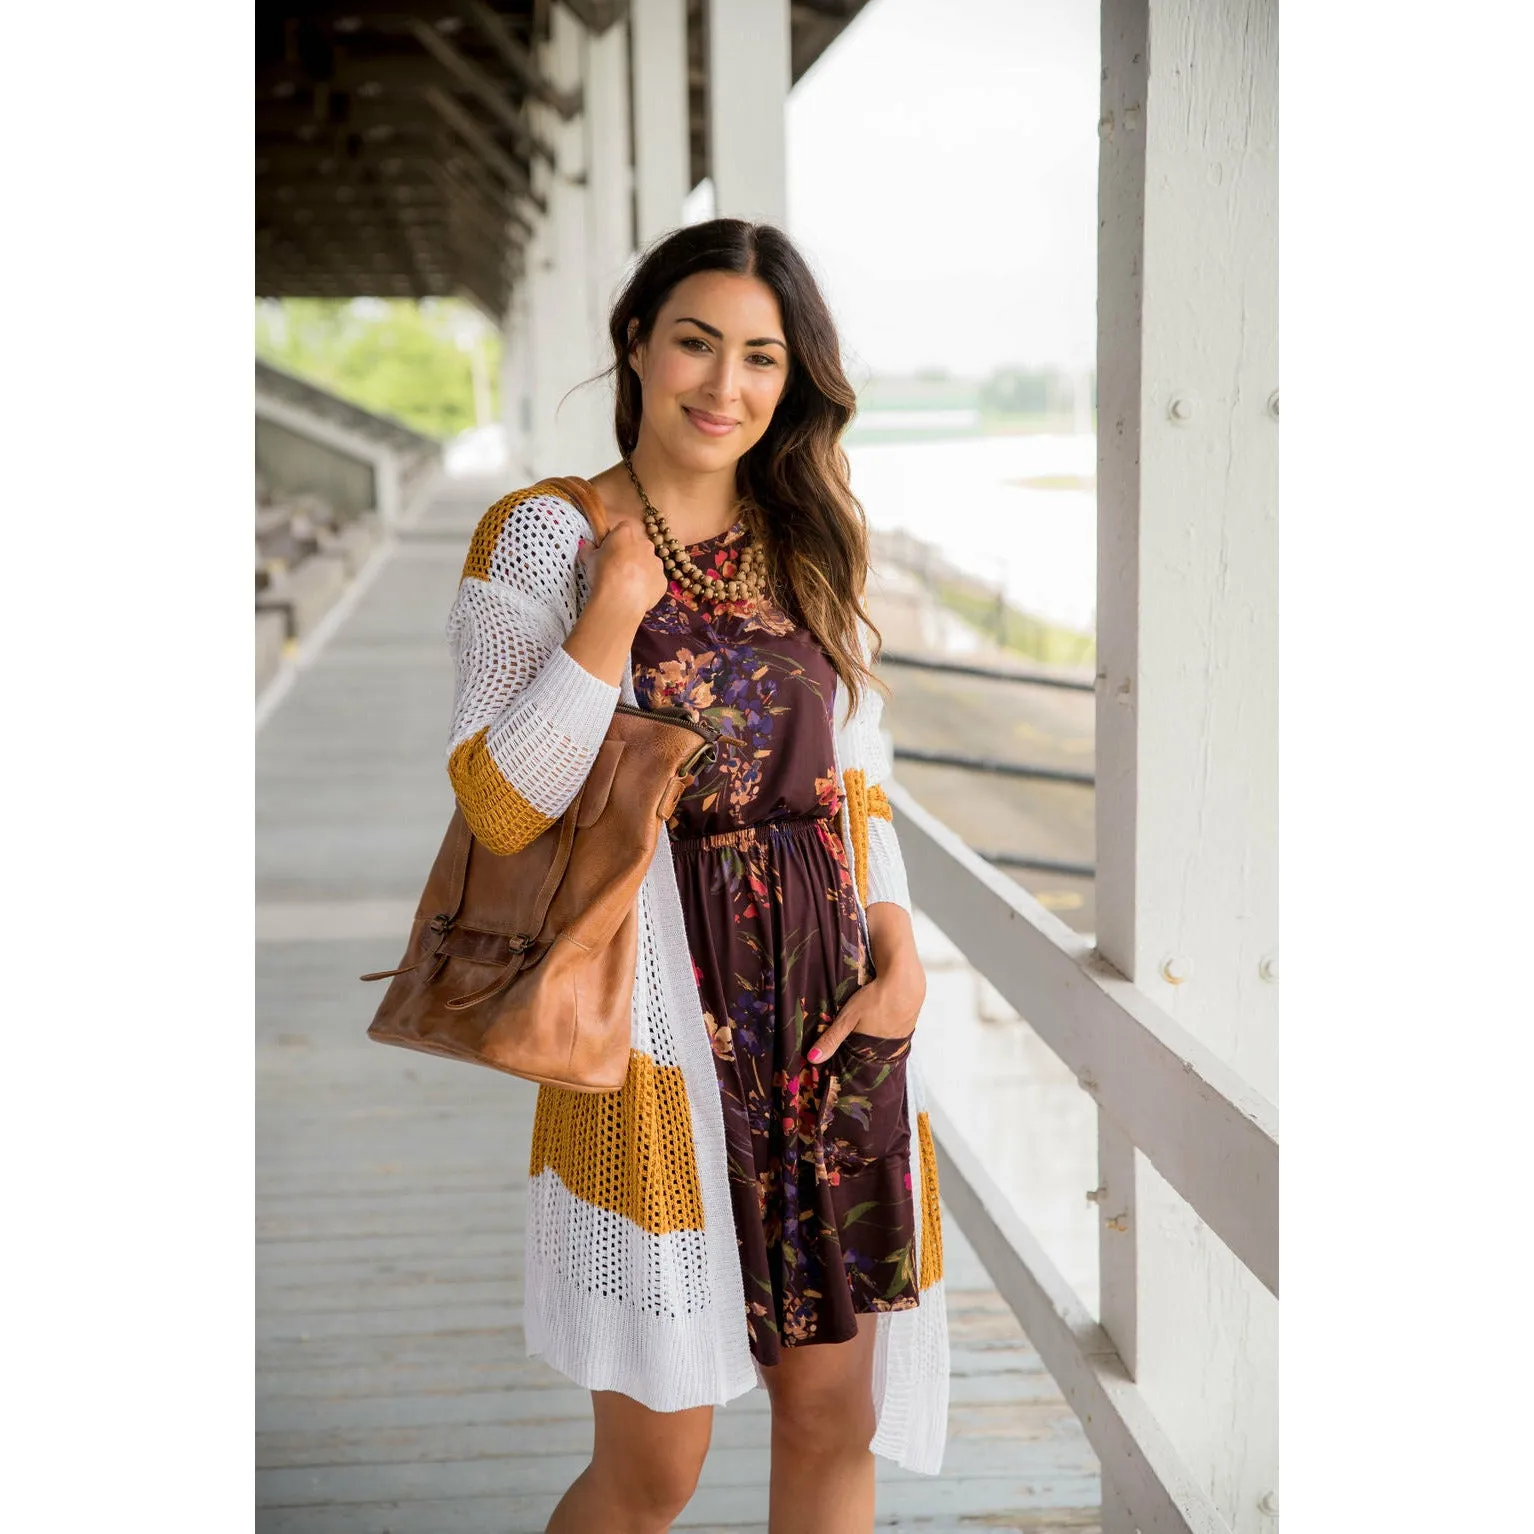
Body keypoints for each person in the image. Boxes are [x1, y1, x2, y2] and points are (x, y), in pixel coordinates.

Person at [444, 218, 950, 1534]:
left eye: (761, 358)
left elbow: (856, 771)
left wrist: (897, 947)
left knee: (836, 1417)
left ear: (793, 382)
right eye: (695, 342)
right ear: (636, 343)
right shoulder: (543, 536)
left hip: (830, 1017)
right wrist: (607, 616)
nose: (723, 385)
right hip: (653, 1043)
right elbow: (500, 802)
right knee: (654, 1466)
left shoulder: (806, 535)